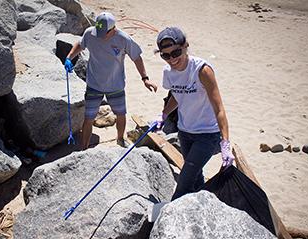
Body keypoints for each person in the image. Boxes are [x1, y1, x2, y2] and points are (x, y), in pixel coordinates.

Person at [154, 27, 234, 201]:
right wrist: (164, 114)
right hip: (185, 132)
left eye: (176, 52)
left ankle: (168, 213)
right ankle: (201, 206)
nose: (172, 59)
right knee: (196, 177)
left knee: (185, 179)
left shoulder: (202, 70)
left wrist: (226, 143)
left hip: (207, 134)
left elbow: (219, 108)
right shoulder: (168, 72)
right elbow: (176, 94)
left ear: (185, 46)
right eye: (165, 55)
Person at [65, 12, 157, 150]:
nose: (101, 36)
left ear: (113, 29)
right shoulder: (90, 33)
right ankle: (83, 147)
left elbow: (136, 57)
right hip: (94, 84)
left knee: (120, 114)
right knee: (89, 118)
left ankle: (120, 139)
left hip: (116, 85)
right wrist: (69, 57)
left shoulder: (123, 39)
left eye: (104, 33)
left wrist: (145, 78)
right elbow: (80, 44)